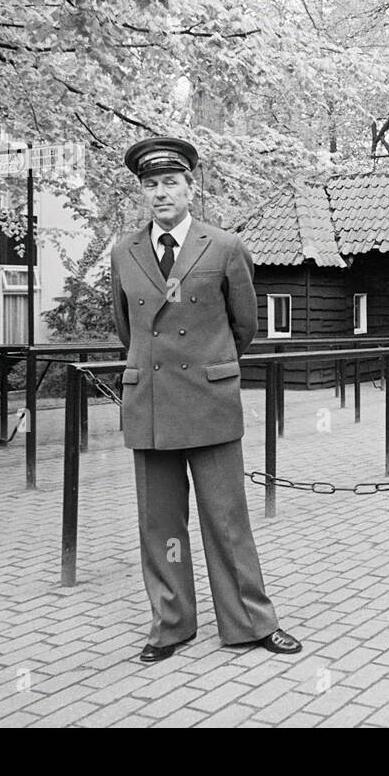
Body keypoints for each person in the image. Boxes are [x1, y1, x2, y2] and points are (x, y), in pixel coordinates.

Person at [111, 136, 301, 662]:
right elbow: (126, 330)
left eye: (170, 183)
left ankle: (249, 622)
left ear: (191, 188)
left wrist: (210, 366)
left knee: (227, 518)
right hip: (150, 404)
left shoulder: (224, 247)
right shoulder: (124, 252)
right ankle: (170, 625)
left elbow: (244, 326)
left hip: (210, 401)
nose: (160, 194)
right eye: (150, 186)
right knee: (160, 524)